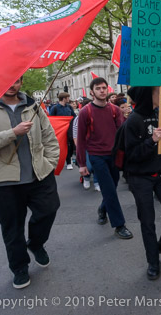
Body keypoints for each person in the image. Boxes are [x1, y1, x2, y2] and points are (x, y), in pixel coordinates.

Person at [0, 77, 60, 289]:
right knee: (12, 228)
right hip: (3, 181)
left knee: (49, 209)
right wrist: (13, 133)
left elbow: (49, 137)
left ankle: (36, 244)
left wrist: (49, 163)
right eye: (8, 80)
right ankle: (19, 268)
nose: (13, 85)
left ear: (21, 81)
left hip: (39, 174)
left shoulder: (33, 105)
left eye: (17, 81)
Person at [123, 87, 161, 280]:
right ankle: (153, 261)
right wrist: (151, 141)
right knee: (147, 221)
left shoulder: (159, 115)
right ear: (148, 96)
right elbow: (131, 155)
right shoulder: (132, 121)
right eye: (157, 92)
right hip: (140, 177)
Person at [76, 77, 132, 239]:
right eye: (98, 88)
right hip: (96, 156)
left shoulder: (115, 110)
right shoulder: (85, 112)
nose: (102, 91)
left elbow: (122, 134)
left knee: (112, 187)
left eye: (104, 88)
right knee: (109, 189)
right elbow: (80, 139)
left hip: (114, 155)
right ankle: (119, 225)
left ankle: (102, 209)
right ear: (92, 92)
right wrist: (82, 163)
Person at [73, 98, 99, 191]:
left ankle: (96, 182)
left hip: (96, 144)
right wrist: (78, 146)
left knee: (97, 164)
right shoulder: (78, 118)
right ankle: (86, 178)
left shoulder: (97, 116)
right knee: (88, 165)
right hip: (84, 145)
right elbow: (75, 134)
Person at [49, 92, 76, 169]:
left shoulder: (69, 107)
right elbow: (51, 119)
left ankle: (69, 157)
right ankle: (67, 162)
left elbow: (73, 116)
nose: (69, 99)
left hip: (69, 128)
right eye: (68, 97)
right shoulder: (55, 108)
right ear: (64, 98)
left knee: (71, 144)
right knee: (64, 145)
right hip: (60, 130)